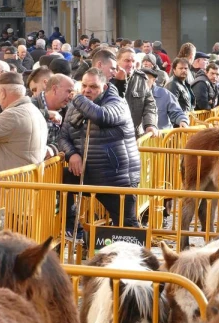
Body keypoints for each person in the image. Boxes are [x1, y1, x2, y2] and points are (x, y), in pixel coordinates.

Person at [59, 67, 142, 240]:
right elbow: (63, 136)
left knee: (127, 227)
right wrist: (71, 154)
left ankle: (136, 255)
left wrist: (77, 97)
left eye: (93, 87)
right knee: (59, 178)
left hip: (117, 178)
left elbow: (101, 116)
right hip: (87, 173)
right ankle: (73, 228)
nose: (87, 90)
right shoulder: (77, 105)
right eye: (84, 85)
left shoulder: (117, 102)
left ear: (104, 87)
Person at [111, 47, 159, 137]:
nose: (131, 64)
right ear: (117, 62)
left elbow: (150, 104)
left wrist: (150, 124)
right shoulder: (109, 78)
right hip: (113, 136)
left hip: (135, 136)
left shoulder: (140, 79)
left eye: (133, 61)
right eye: (127, 61)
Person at [31, 73, 75, 157]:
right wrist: (45, 114)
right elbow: (19, 117)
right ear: (54, 89)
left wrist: (53, 149)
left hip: (53, 164)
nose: (70, 96)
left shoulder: (69, 110)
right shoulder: (30, 104)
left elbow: (71, 139)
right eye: (69, 91)